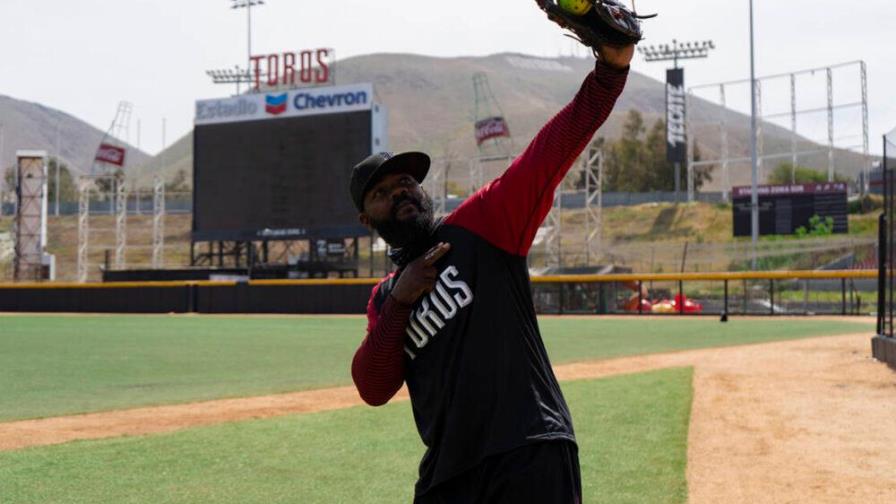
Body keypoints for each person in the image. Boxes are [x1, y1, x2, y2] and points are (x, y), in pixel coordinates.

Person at [348, 42, 633, 503]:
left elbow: (549, 154)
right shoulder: (385, 298)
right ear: (367, 219)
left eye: (406, 181)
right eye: (382, 192)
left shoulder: (480, 224)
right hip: (448, 471)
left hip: (528, 447)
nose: (399, 191)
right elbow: (373, 387)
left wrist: (610, 73)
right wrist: (400, 300)